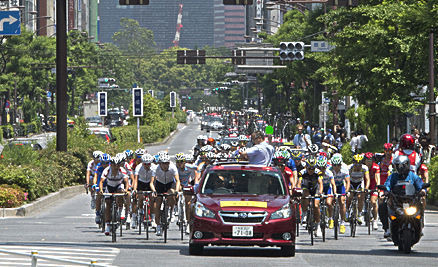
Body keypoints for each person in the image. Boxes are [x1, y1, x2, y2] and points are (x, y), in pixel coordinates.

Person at [381, 155, 427, 238]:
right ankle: (387, 228)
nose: (401, 168)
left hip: (411, 200)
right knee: (383, 205)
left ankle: (420, 225)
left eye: (403, 165)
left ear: (408, 165)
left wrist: (423, 190)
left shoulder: (413, 175)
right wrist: (386, 191)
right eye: (398, 166)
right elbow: (387, 185)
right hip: (397, 200)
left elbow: (420, 184)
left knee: (420, 204)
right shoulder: (393, 176)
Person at [150, 154, 180, 236]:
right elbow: (151, 183)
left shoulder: (173, 167)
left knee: (172, 194)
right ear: (160, 164)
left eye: (167, 163)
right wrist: (154, 191)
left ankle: (171, 210)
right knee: (157, 205)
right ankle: (158, 225)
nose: (165, 165)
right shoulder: (156, 168)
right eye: (163, 163)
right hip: (159, 185)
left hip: (170, 184)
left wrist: (176, 191)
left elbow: (177, 181)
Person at [99, 155, 129, 236]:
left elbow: (126, 182)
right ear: (110, 164)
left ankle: (120, 208)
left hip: (118, 186)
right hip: (109, 187)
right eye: (113, 165)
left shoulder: (122, 170)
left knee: (120, 192)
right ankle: (108, 225)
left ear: (119, 165)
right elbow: (101, 182)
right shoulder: (107, 170)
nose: (115, 167)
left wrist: (126, 190)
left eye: (117, 165)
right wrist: (101, 190)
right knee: (108, 204)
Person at [297, 156, 324, 237]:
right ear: (306, 167)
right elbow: (299, 183)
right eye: (309, 169)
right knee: (305, 194)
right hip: (306, 187)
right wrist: (298, 192)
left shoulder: (318, 172)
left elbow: (321, 183)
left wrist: (320, 193)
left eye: (313, 169)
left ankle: (318, 226)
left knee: (316, 205)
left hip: (315, 188)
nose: (311, 171)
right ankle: (304, 214)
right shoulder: (302, 172)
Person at [132, 153, 156, 229]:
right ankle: (140, 210)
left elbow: (152, 182)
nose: (146, 166)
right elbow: (135, 180)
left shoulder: (154, 168)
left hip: (150, 183)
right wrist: (135, 190)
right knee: (139, 197)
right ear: (142, 163)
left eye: (148, 164)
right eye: (145, 164)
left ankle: (153, 218)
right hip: (141, 183)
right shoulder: (138, 167)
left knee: (152, 199)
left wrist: (154, 191)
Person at [328, 154, 350, 234]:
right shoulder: (329, 170)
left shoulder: (345, 169)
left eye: (338, 165)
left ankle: (342, 223)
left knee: (342, 202)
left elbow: (347, 182)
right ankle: (330, 218)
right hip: (331, 185)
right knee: (329, 202)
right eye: (334, 165)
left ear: (341, 164)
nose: (336, 167)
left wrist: (347, 191)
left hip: (340, 185)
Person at [347, 154, 370, 225]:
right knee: (349, 196)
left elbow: (367, 179)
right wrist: (347, 189)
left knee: (361, 197)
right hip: (351, 182)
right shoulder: (349, 168)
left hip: (360, 182)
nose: (357, 166)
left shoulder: (365, 168)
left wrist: (366, 188)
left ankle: (360, 214)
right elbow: (346, 180)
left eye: (359, 164)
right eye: (356, 164)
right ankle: (347, 211)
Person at [364, 152, 380, 230]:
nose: (368, 162)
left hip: (373, 185)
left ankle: (375, 220)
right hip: (364, 185)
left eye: (370, 160)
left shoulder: (376, 167)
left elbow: (377, 178)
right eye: (367, 160)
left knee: (373, 202)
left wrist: (378, 187)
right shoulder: (363, 167)